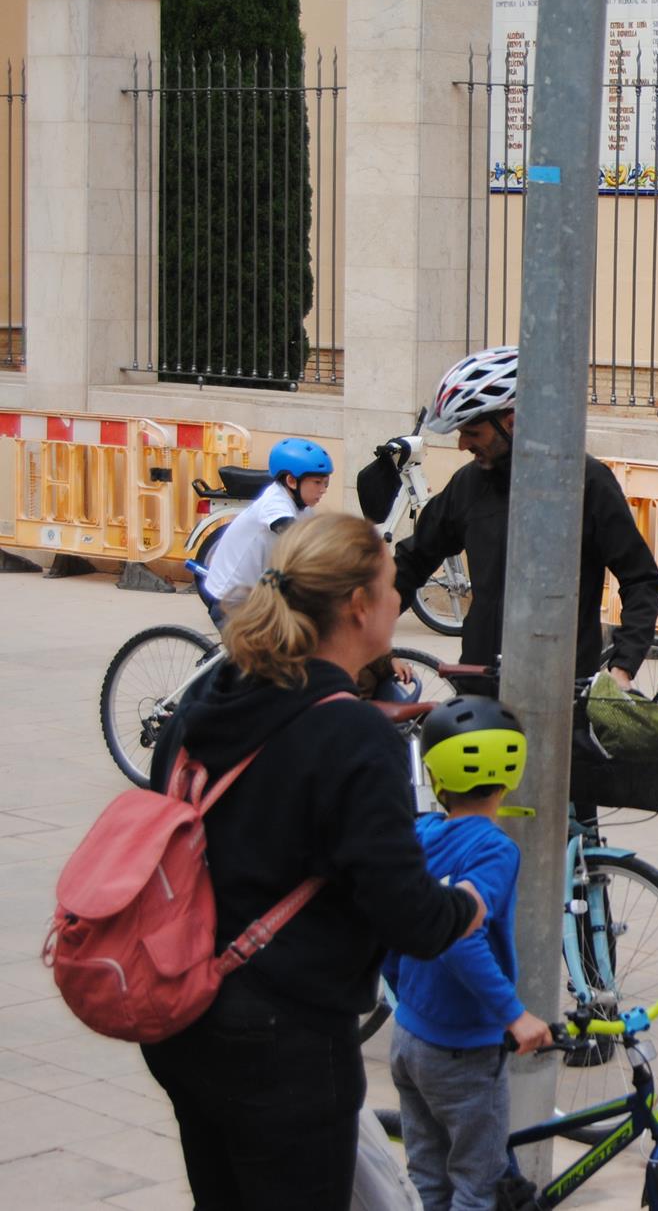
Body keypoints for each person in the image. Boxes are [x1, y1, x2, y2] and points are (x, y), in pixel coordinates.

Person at [140, 513, 488, 1211]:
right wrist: (468, 905)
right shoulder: (352, 733)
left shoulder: (212, 696)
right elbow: (405, 911)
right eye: (390, 585)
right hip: (283, 1039)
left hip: (184, 1011)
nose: (399, 599)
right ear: (358, 604)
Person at [392, 345, 658, 688]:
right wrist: (368, 635)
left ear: (513, 423)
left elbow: (641, 580)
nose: (462, 445)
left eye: (472, 433)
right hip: (480, 688)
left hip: (559, 694)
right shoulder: (468, 484)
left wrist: (622, 667)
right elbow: (411, 561)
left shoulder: (587, 483)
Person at [383, 695, 552, 1211]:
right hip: (463, 1050)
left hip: (409, 1039)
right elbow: (461, 935)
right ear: (512, 774)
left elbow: (395, 924)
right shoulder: (496, 850)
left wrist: (405, 990)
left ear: (437, 777)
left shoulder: (421, 833)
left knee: (427, 1179)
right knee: (479, 1188)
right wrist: (514, 1014)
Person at [198, 437, 334, 626]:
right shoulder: (274, 503)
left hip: (260, 594)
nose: (323, 490)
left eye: (326, 483)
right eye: (317, 482)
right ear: (291, 481)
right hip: (231, 599)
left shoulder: (304, 508)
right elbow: (291, 533)